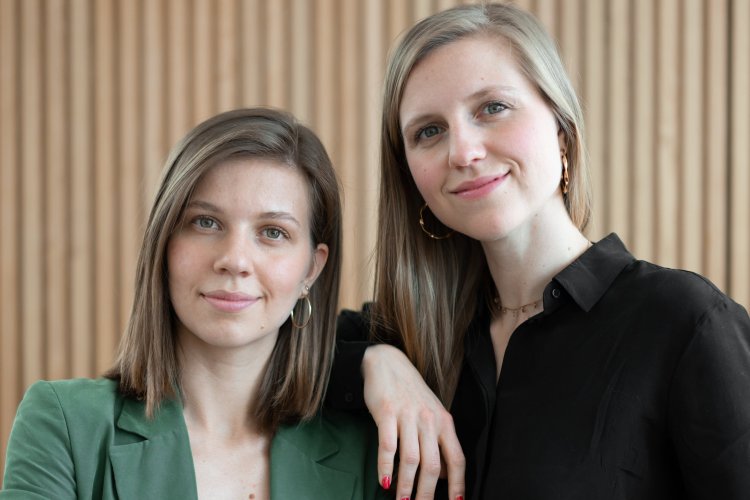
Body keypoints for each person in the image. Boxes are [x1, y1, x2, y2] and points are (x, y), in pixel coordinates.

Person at [326, 3, 750, 500]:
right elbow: (276, 351)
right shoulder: (416, 335)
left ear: (561, 131)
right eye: (429, 131)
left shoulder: (684, 321)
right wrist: (375, 364)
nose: (462, 152)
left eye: (492, 108)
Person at [2, 108, 391, 500]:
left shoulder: (372, 450)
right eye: (206, 222)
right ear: (165, 244)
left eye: (273, 232)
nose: (235, 260)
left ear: (311, 269)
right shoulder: (65, 425)